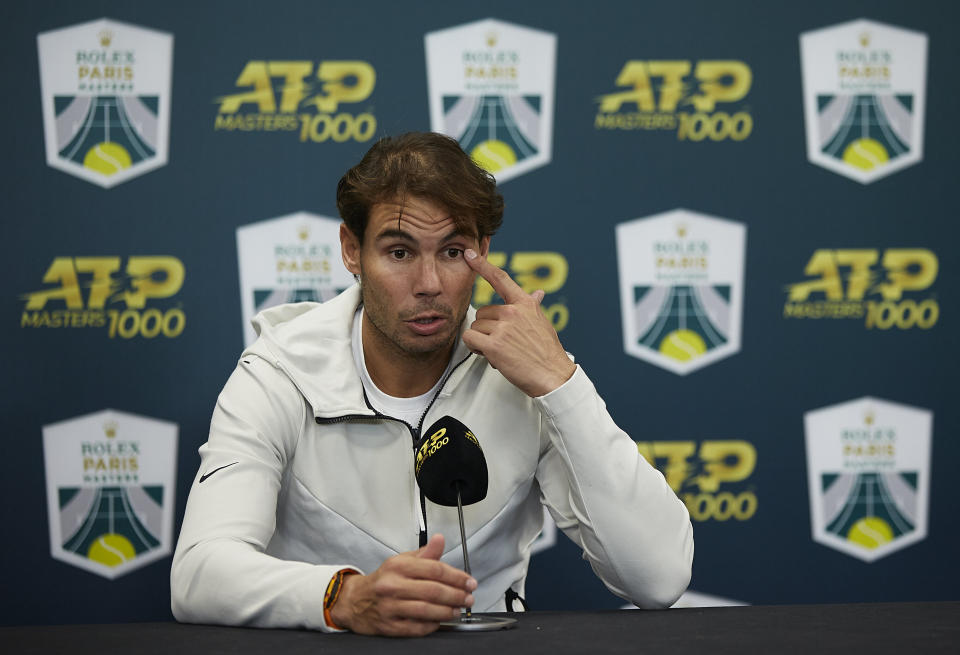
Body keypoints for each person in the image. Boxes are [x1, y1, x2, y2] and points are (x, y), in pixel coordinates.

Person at [171, 132, 693, 637]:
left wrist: (561, 383)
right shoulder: (280, 371)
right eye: (399, 252)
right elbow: (199, 573)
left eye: (452, 251)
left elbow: (658, 578)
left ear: (482, 251)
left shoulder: (526, 372)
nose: (429, 285)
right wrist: (343, 597)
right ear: (351, 251)